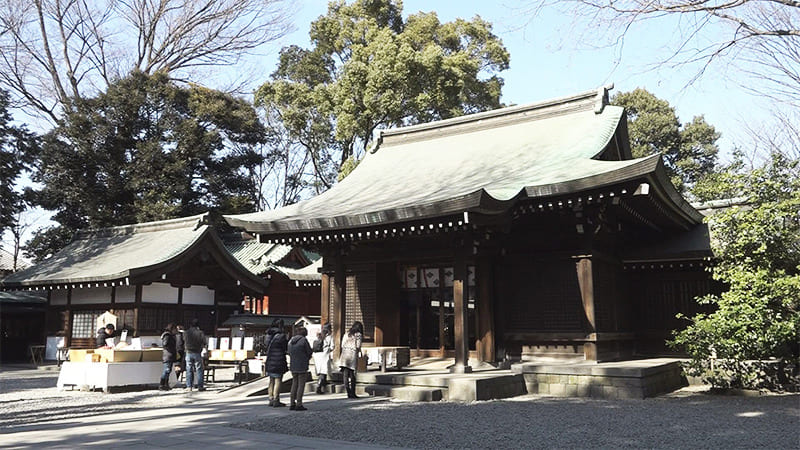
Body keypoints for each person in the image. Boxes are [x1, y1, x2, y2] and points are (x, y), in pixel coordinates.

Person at [287, 325, 313, 411]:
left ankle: (291, 403)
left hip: (293, 364)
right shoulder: (304, 340)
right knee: (301, 385)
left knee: (294, 384)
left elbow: (289, 352)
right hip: (302, 364)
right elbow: (309, 351)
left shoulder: (291, 341)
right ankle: (299, 403)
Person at [264, 319, 288, 407]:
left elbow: (266, 345)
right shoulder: (281, 336)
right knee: (278, 380)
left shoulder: (268, 335)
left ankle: (270, 398)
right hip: (278, 359)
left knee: (271, 381)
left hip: (270, 359)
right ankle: (276, 400)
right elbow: (285, 347)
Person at [338, 321, 363, 399]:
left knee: (345, 375)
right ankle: (353, 392)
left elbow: (342, 344)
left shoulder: (346, 334)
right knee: (352, 375)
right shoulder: (358, 335)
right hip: (352, 354)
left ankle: (348, 392)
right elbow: (358, 345)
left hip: (344, 354)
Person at [183, 319, 207, 392]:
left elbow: (184, 340)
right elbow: (204, 342)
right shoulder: (200, 333)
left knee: (189, 369)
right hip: (197, 352)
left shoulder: (186, 333)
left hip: (188, 352)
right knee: (199, 369)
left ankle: (189, 386)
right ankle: (200, 386)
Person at [312, 322, 334, 394]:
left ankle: (323, 382)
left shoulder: (318, 335)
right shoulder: (329, 337)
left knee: (321, 370)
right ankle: (319, 386)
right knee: (323, 370)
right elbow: (332, 347)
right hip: (324, 355)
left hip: (317, 355)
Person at [159, 323, 177, 391]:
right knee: (166, 370)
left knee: (168, 370)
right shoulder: (167, 335)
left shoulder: (169, 335)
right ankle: (162, 384)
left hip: (169, 355)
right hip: (168, 355)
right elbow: (165, 344)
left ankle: (166, 384)